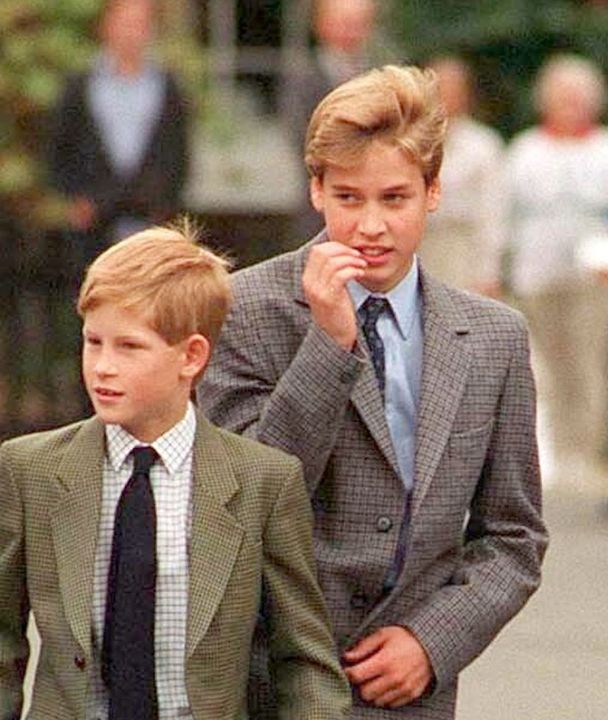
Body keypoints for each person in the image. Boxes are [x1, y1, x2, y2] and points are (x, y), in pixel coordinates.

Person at [199, 66, 548, 718]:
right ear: (316, 191)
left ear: (433, 192)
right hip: (269, 682)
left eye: (395, 198)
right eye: (349, 198)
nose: (372, 226)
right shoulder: (245, 308)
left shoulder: (495, 338)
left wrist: (431, 641)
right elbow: (237, 503)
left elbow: (514, 536)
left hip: (411, 692)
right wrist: (328, 346)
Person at [0, 225, 349, 719]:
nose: (102, 367)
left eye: (129, 347)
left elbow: (303, 660)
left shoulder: (263, 482)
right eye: (93, 342)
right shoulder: (31, 469)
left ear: (192, 356)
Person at [504, 54, 608, 484]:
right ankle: (554, 453)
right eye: (562, 98)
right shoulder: (525, 149)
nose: (570, 106)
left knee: (590, 365)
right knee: (544, 366)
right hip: (536, 276)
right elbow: (506, 215)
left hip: (593, 279)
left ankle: (587, 451)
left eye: (578, 98)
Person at [49, 0, 189, 272]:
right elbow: (60, 146)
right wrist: (76, 198)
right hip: (94, 218)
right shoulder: (81, 85)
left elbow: (178, 151)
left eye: (139, 25)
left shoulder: (167, 85)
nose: (131, 33)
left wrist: (165, 204)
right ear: (107, 27)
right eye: (125, 23)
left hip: (148, 215)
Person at [281, 0, 389, 240]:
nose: (351, 30)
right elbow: (302, 137)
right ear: (321, 25)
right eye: (344, 22)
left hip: (378, 204)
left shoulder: (384, 76)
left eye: (358, 22)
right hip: (321, 209)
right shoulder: (303, 77)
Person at [417, 56, 507, 296]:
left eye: (453, 89)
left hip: (463, 249)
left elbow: (492, 213)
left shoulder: (484, 145)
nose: (445, 96)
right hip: (420, 246)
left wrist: (489, 272)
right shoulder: (409, 141)